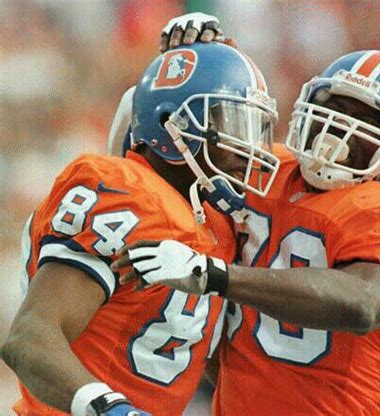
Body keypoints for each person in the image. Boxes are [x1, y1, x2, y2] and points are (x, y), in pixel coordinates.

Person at [111, 16, 380, 416]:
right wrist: (187, 69)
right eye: (334, 108)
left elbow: (362, 304)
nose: (339, 131)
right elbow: (150, 161)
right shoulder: (262, 168)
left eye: (365, 123)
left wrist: (215, 276)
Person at [1, 42, 280, 415]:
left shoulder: (216, 221)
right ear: (171, 125)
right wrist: (110, 408)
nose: (243, 148)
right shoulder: (126, 192)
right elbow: (29, 339)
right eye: (230, 125)